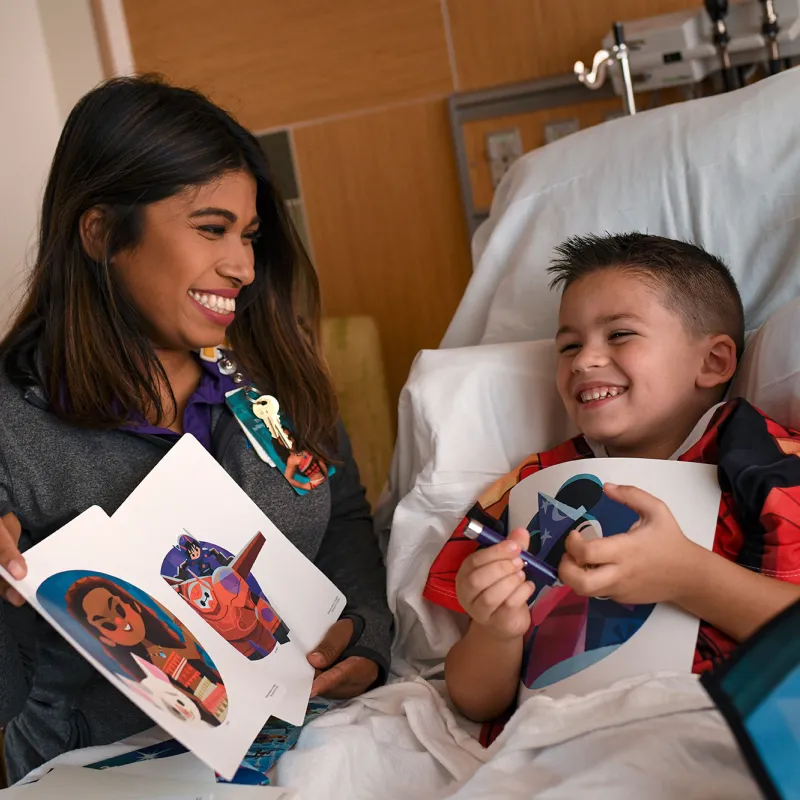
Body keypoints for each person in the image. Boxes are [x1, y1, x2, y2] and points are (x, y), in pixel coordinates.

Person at [0, 76, 391, 782]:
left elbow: (344, 520)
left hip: (313, 747)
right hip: (112, 770)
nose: (242, 266)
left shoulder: (276, 369)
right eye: (211, 229)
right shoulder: (11, 425)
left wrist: (365, 633)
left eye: (248, 236)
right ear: (100, 233)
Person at [423, 233, 800, 733]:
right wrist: (497, 631)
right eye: (570, 345)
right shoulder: (531, 488)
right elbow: (475, 702)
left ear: (713, 362)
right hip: (558, 740)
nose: (583, 361)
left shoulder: (767, 465)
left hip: (717, 731)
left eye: (619, 335)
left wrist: (689, 575)